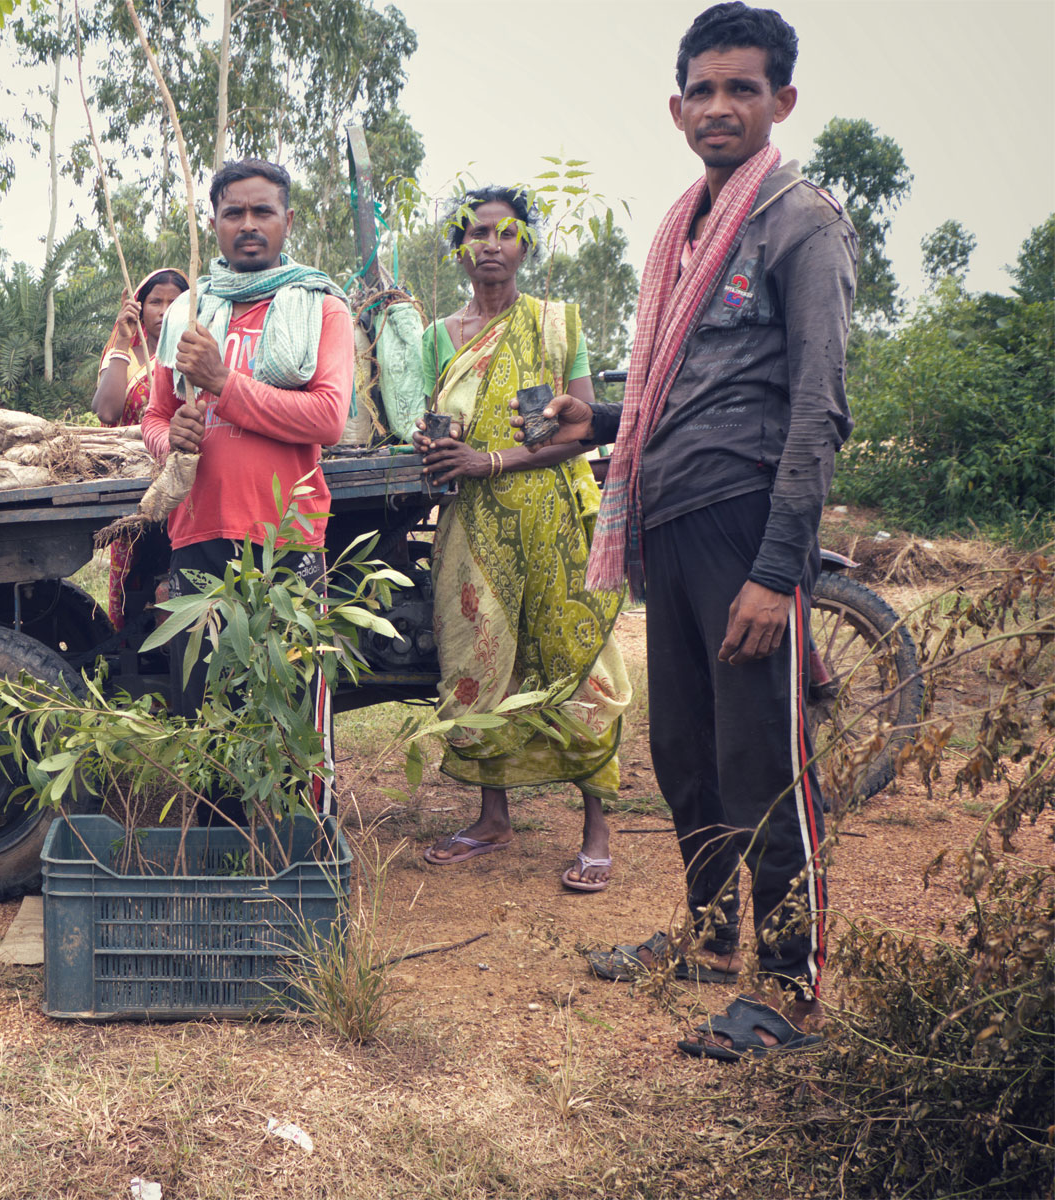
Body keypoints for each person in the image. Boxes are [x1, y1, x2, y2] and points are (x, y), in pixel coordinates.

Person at [523, 2, 855, 1061]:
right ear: (678, 107)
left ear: (781, 102)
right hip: (676, 524)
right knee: (686, 754)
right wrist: (604, 419)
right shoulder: (690, 229)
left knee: (765, 758)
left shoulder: (803, 222)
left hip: (748, 522)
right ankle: (714, 943)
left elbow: (816, 409)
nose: (720, 107)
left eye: (742, 88)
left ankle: (791, 991)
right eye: (703, 90)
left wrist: (777, 568)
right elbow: (691, 389)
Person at [414, 187, 632, 893]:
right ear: (459, 246)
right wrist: (435, 448)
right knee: (479, 661)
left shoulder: (557, 323)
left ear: (525, 244)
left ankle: (596, 827)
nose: (490, 244)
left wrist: (493, 461)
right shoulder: (438, 337)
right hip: (474, 526)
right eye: (476, 232)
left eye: (506, 232)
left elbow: (579, 432)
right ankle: (493, 817)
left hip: (553, 516)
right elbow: (432, 423)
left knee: (574, 661)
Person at [141, 158, 354, 817]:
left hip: (284, 539)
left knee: (289, 710)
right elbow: (153, 417)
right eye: (234, 212)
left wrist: (224, 385)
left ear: (288, 221)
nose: (249, 224)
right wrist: (167, 437)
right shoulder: (189, 311)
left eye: (264, 211)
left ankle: (299, 860)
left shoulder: (322, 306)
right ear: (215, 223)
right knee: (207, 713)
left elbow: (327, 418)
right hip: (198, 537)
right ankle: (219, 848)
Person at [91, 267, 188, 630]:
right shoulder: (126, 357)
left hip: (186, 484)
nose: (164, 311)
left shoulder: (194, 354)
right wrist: (121, 340)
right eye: (155, 302)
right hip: (135, 489)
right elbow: (106, 411)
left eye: (175, 302)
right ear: (139, 308)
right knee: (139, 587)